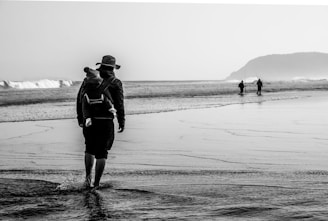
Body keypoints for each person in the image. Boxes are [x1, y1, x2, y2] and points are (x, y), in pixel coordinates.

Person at [76, 55, 125, 189]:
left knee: (89, 149)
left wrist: (80, 118)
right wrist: (121, 121)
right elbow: (119, 104)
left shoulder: (88, 80)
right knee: (102, 153)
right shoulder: (116, 82)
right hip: (106, 122)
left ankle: (87, 178)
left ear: (101, 66)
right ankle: (96, 184)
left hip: (89, 120)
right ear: (113, 68)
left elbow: (80, 99)